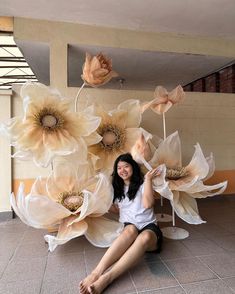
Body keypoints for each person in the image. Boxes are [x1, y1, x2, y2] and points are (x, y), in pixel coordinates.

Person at [79, 153, 163, 294]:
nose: (122, 170)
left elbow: (148, 204)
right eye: (119, 168)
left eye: (126, 166)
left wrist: (148, 179)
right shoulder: (117, 189)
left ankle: (107, 278)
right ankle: (96, 273)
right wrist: (95, 199)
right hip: (130, 229)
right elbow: (118, 211)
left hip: (149, 229)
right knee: (130, 230)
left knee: (145, 237)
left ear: (133, 168)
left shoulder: (143, 184)